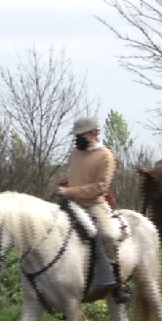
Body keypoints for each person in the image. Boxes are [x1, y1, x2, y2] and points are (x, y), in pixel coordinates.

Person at [56, 116, 129, 303]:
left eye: (81, 135)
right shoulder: (75, 153)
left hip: (94, 205)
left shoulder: (106, 156)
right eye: (77, 135)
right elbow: (78, 175)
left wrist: (69, 190)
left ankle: (118, 283)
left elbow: (101, 187)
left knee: (108, 236)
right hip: (71, 203)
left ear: (94, 134)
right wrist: (66, 182)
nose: (77, 138)